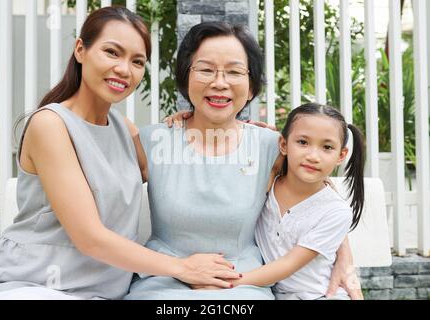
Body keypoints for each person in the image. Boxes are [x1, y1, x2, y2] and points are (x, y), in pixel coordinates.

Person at [0, 7, 239, 300]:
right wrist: (183, 268)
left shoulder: (124, 129)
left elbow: (179, 175)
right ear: (80, 50)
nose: (124, 69)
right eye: (112, 52)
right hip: (32, 284)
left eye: (137, 61)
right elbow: (90, 239)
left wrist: (233, 130)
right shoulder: (50, 125)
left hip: (102, 291)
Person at [125, 22, 362, 300]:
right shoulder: (152, 142)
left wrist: (344, 255)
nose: (219, 82)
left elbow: (318, 193)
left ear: (251, 87)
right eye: (206, 69)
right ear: (185, 77)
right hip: (163, 280)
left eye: (235, 72)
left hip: (242, 282)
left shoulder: (272, 147)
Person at [230, 103, 365, 300]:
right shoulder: (267, 185)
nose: (313, 156)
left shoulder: (335, 211)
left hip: (321, 295)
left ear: (341, 155)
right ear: (284, 145)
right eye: (302, 142)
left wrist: (231, 282)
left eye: (327, 147)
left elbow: (287, 265)